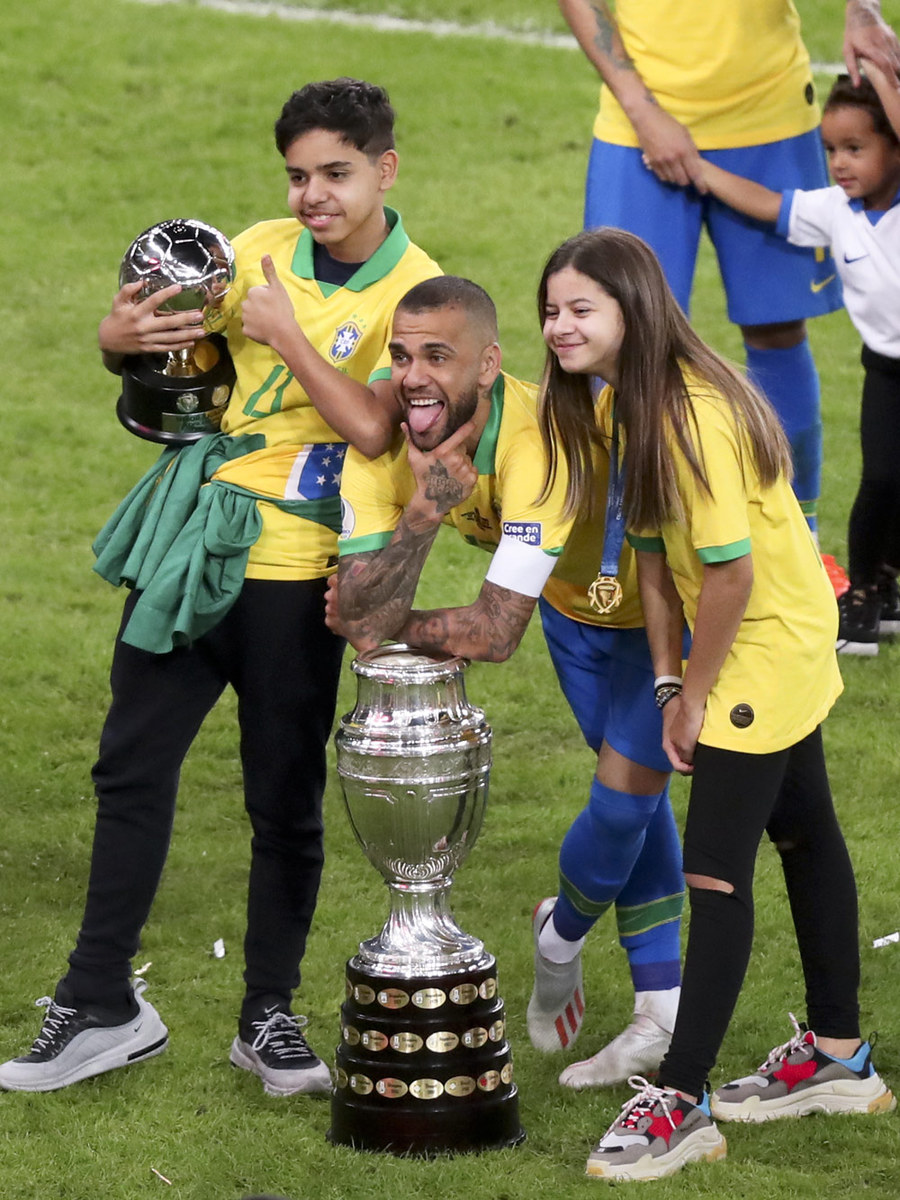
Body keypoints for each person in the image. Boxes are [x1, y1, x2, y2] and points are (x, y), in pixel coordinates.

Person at [0, 78, 441, 1097]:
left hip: (294, 575)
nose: (311, 197)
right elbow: (164, 372)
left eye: (334, 173)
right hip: (190, 544)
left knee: (282, 802)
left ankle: (268, 1018)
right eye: (296, 176)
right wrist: (120, 340)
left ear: (385, 167)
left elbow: (378, 430)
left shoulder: (414, 295)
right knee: (129, 767)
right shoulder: (251, 248)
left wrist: (286, 335)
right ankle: (101, 1001)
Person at [537, 226, 894, 1182]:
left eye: (580, 309)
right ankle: (837, 1057)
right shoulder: (625, 398)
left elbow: (727, 578)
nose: (558, 325)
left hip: (762, 643)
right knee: (807, 833)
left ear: (632, 312)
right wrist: (665, 678)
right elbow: (654, 556)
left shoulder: (688, 417)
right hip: (759, 633)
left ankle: (683, 1100)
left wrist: (694, 695)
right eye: (552, 309)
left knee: (715, 875)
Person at [329, 274, 685, 1088]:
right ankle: (658, 1014)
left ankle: (559, 934)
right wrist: (421, 517)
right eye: (402, 355)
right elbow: (356, 614)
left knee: (625, 798)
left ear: (489, 365)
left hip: (668, 606)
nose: (412, 375)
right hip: (576, 612)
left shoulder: (541, 439)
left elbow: (488, 633)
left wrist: (384, 616)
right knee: (636, 799)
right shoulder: (384, 447)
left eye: (438, 357)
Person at [558, 0, 900, 534]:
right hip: (637, 127)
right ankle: (625, 550)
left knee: (778, 331)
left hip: (771, 116)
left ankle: (796, 537)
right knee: (619, 342)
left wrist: (862, 9)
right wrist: (644, 111)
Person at [691, 61, 900, 657]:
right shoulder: (836, 209)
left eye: (857, 147)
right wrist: (701, 171)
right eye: (831, 148)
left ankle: (886, 579)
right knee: (882, 478)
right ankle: (863, 591)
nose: (839, 163)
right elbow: (769, 205)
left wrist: (886, 81)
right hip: (886, 369)